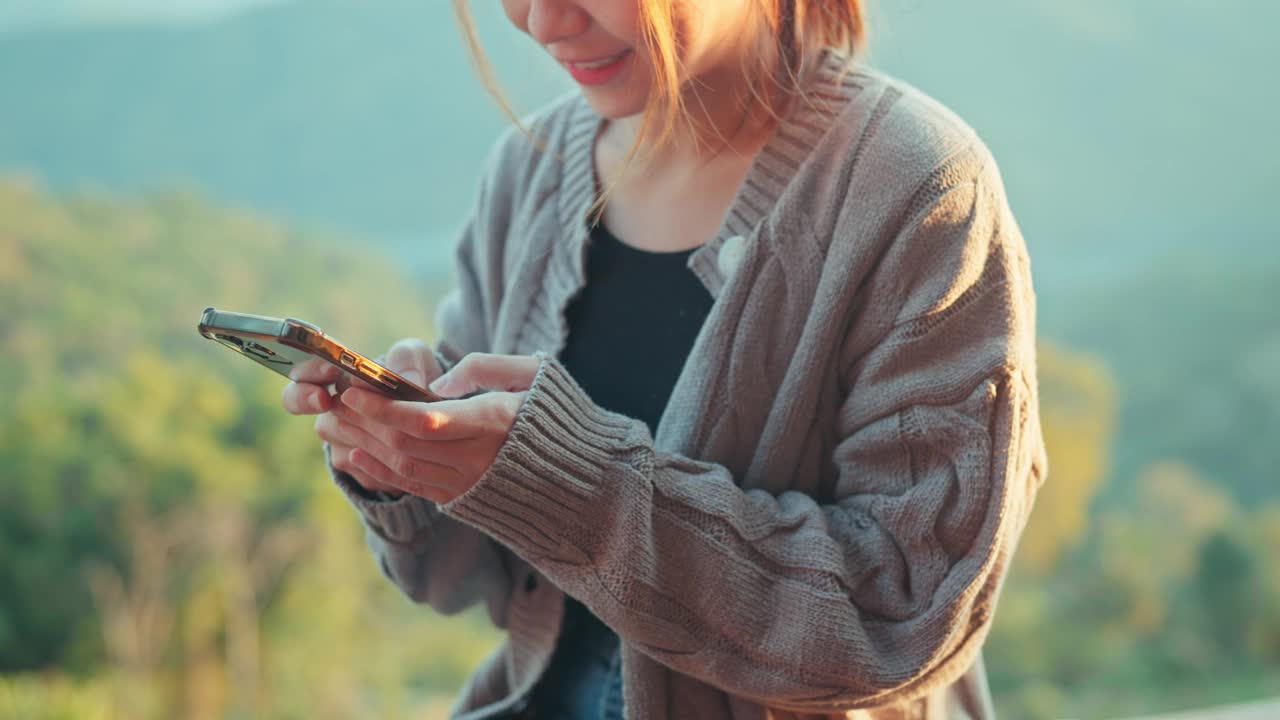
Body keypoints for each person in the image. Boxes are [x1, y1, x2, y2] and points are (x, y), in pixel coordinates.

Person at [281, 1, 1047, 718]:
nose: (543, 21)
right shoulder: (532, 172)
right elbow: (464, 580)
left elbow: (899, 618)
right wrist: (406, 463)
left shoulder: (916, 186)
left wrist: (567, 482)